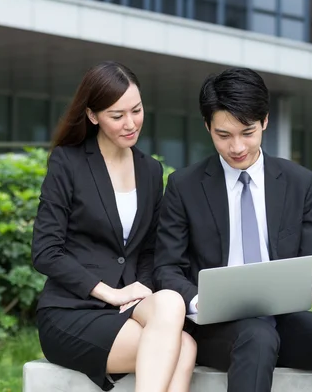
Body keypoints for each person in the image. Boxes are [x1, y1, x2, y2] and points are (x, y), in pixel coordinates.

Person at [153, 67, 312, 392]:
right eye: (223, 135)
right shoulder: (184, 186)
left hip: (283, 320)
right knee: (256, 338)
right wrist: (200, 301)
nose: (237, 146)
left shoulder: (299, 182)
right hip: (217, 329)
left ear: (265, 121)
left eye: (247, 132)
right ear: (207, 127)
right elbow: (167, 268)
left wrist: (283, 290)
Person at [32, 61, 196, 392]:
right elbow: (45, 252)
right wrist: (112, 293)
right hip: (72, 310)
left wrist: (139, 291)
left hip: (128, 307)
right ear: (93, 116)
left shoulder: (150, 171)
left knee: (173, 305)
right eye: (116, 115)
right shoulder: (69, 162)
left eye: (136, 110)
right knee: (182, 348)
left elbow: (149, 251)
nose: (130, 123)